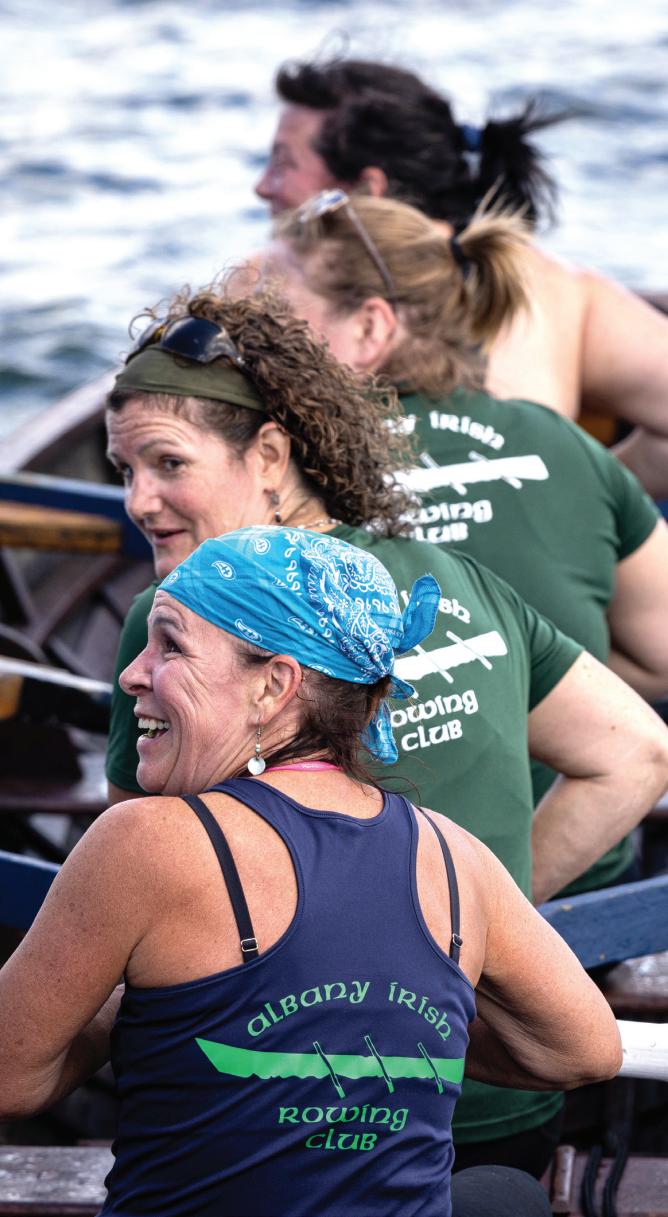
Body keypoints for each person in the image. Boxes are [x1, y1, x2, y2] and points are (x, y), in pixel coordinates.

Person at [103, 287, 668, 1175]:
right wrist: (472, 924)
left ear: (271, 455)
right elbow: (638, 751)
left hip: (284, 1109)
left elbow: (125, 895)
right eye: (123, 470)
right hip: (502, 1090)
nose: (139, 500)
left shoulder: (170, 619)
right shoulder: (457, 579)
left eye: (167, 463)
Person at [0, 525, 622, 1216]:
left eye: (170, 645)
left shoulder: (144, 842)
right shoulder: (454, 857)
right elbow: (583, 1050)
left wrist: (147, 1002)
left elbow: (11, 1078)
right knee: (506, 1195)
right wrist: (392, 1037)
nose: (130, 674)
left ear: (273, 686)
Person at [255, 56, 668, 496]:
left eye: (283, 163)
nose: (262, 186)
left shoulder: (271, 286)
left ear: (366, 190)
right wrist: (574, 498)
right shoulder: (545, 281)